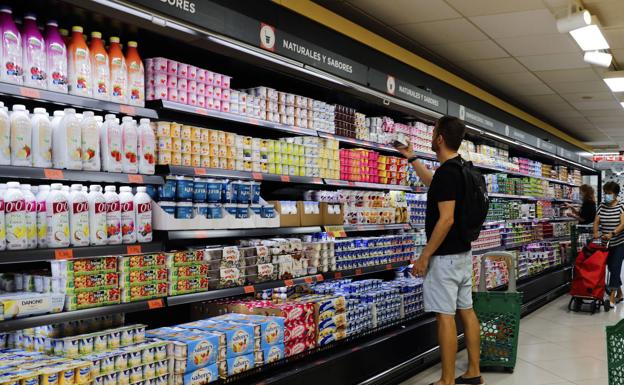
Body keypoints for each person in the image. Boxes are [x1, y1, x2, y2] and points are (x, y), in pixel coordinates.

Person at [397, 116, 483, 385]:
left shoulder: (448, 173)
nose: (432, 136)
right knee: (467, 311)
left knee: (444, 317)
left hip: (445, 258)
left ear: (440, 138)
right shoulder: (461, 168)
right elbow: (433, 185)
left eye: (434, 132)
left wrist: (424, 256)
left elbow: (446, 219)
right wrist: (412, 158)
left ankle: (447, 380)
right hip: (463, 254)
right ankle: (474, 373)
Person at [593, 181, 624, 308]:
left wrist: (613, 233)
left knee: (615, 267)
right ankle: (620, 293)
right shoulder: (601, 206)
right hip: (605, 243)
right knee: (610, 267)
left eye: (609, 193)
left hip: (620, 242)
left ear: (615, 194)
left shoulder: (621, 205)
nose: (606, 196)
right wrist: (595, 232)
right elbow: (596, 221)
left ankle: (612, 296)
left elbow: (623, 223)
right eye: (605, 193)